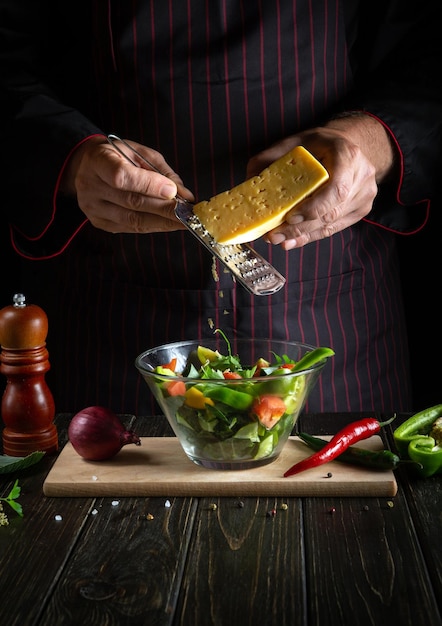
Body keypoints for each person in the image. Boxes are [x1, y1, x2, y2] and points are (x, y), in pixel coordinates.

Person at [0, 1, 440, 416]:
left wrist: (372, 142)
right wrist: (72, 157)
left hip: (335, 322)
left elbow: (427, 50)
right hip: (116, 324)